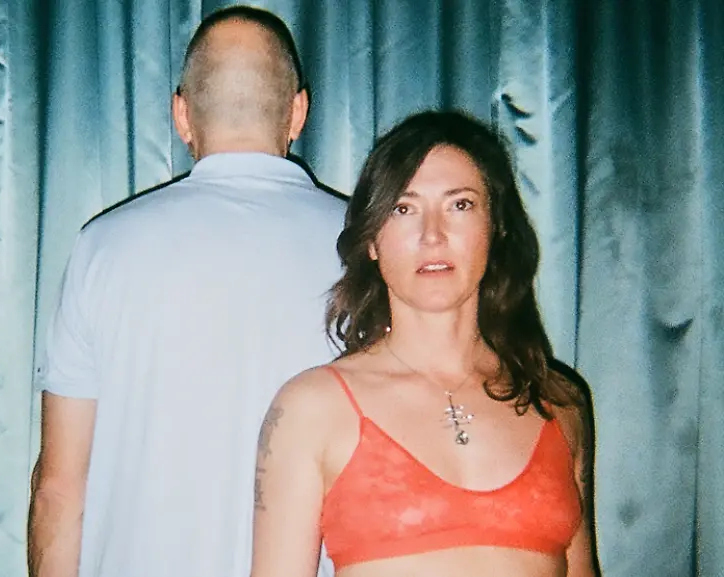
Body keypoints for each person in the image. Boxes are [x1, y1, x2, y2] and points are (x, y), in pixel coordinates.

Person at [28, 6, 346, 577]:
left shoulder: (103, 247)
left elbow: (59, 488)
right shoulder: (371, 251)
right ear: (298, 111)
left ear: (181, 115)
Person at [250, 110, 600, 577]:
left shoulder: (560, 402)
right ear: (372, 241)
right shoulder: (311, 408)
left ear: (496, 227)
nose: (433, 235)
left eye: (460, 205)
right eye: (403, 208)